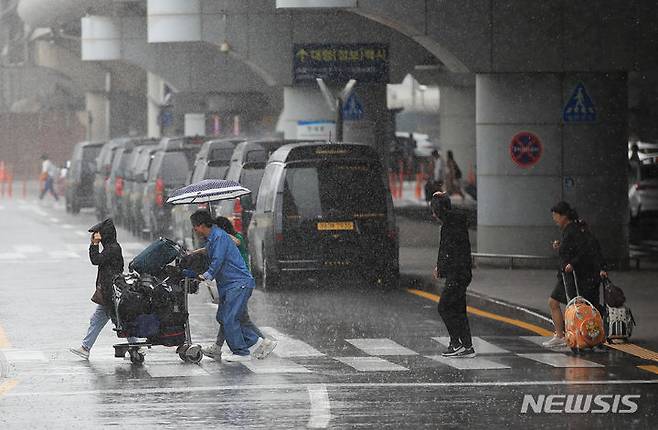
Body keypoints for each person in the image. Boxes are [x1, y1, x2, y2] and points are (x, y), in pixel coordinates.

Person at [188, 210, 273, 362]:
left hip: (238, 283)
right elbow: (210, 253)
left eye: (195, 227)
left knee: (230, 318)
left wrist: (206, 275)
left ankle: (242, 351)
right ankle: (259, 341)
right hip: (229, 285)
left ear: (201, 225)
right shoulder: (213, 238)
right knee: (224, 317)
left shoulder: (219, 236)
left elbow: (218, 260)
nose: (194, 230)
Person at [70, 218, 138, 359]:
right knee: (115, 321)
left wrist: (94, 244)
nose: (96, 236)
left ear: (105, 234)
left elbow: (95, 260)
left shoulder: (112, 249)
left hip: (111, 292)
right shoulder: (112, 247)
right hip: (110, 291)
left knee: (119, 321)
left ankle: (86, 348)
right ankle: (86, 347)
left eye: (99, 233)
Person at [543, 202, 608, 348]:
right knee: (580, 306)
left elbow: (585, 250)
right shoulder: (570, 229)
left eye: (556, 215)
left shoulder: (574, 230)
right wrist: (560, 247)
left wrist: (572, 263)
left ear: (564, 215)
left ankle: (574, 335)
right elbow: (574, 249)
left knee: (565, 304)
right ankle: (582, 335)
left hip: (575, 276)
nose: (554, 219)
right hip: (572, 275)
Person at [431, 191, 475, 358]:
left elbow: (448, 250)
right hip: (461, 272)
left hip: (457, 273)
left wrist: (441, 267)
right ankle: (466, 346)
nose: (433, 214)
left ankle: (457, 343)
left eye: (434, 210)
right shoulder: (455, 220)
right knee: (458, 309)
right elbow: (448, 250)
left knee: (444, 307)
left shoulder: (450, 224)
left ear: (439, 210)